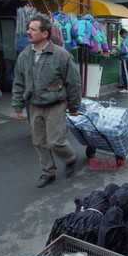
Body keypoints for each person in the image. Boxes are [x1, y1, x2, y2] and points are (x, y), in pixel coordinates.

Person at [12, 14, 81, 188]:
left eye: (32, 29)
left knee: (55, 141)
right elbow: (19, 82)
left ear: (45, 34)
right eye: (28, 29)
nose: (28, 32)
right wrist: (18, 105)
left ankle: (71, 157)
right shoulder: (25, 56)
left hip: (55, 104)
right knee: (39, 142)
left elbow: (73, 82)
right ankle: (48, 172)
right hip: (34, 105)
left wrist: (74, 106)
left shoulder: (60, 55)